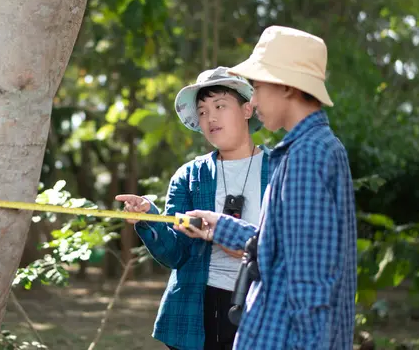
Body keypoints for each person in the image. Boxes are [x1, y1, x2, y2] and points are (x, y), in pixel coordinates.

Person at [178, 26, 357, 349]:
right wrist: (222, 228)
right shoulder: (309, 150)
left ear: (287, 87)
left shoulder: (307, 156)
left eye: (258, 86)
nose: (254, 99)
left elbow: (310, 283)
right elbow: (286, 248)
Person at [115, 66, 270, 350]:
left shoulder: (280, 170)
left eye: (220, 105)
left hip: (261, 305)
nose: (210, 117)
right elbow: (175, 254)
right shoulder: (190, 176)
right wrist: (148, 217)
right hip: (196, 310)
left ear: (247, 110)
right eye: (201, 111)